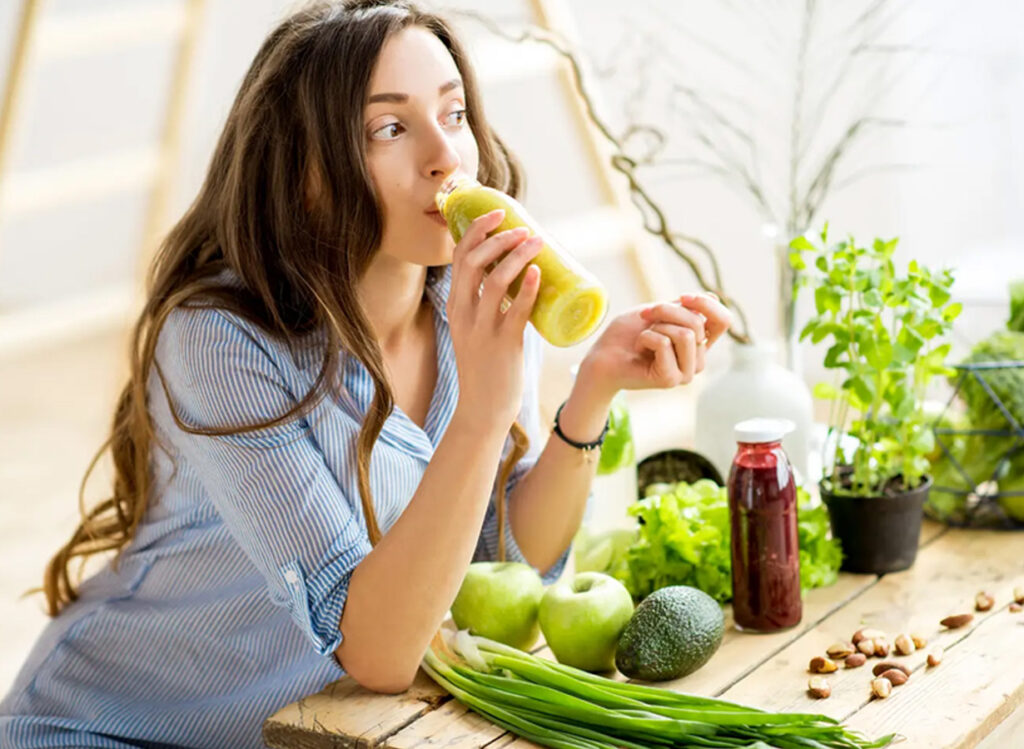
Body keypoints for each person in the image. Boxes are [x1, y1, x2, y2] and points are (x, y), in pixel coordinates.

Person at [0, 1, 731, 746]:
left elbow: (500, 561)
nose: (445, 155)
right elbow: (379, 651)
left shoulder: (469, 303)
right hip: (112, 729)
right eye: (390, 128)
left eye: (454, 113)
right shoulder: (218, 343)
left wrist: (591, 391)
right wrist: (484, 410)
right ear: (308, 170)